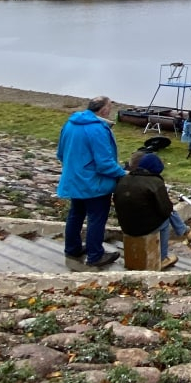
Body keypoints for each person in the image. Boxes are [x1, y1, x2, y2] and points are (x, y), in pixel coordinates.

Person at [57, 95, 126, 269]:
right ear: (104, 110)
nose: (111, 110)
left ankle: (72, 249)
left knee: (75, 214)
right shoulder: (98, 129)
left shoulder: (70, 123)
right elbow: (104, 164)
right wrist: (122, 174)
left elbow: (60, 153)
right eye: (110, 107)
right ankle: (95, 255)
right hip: (94, 184)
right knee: (96, 218)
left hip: (74, 180)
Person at [113, 152, 191, 270]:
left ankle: (185, 231)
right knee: (166, 218)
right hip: (143, 228)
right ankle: (163, 258)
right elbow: (166, 209)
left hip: (126, 226)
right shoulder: (155, 182)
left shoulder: (124, 179)